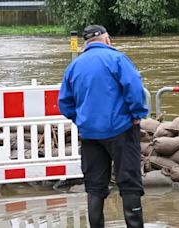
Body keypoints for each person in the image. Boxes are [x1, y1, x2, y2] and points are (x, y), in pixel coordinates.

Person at [58, 24, 148, 228]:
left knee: (95, 186)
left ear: (86, 43)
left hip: (90, 135)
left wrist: (82, 120)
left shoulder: (74, 66)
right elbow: (134, 87)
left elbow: (65, 103)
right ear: (107, 39)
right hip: (121, 130)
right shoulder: (117, 59)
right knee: (129, 183)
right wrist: (137, 114)